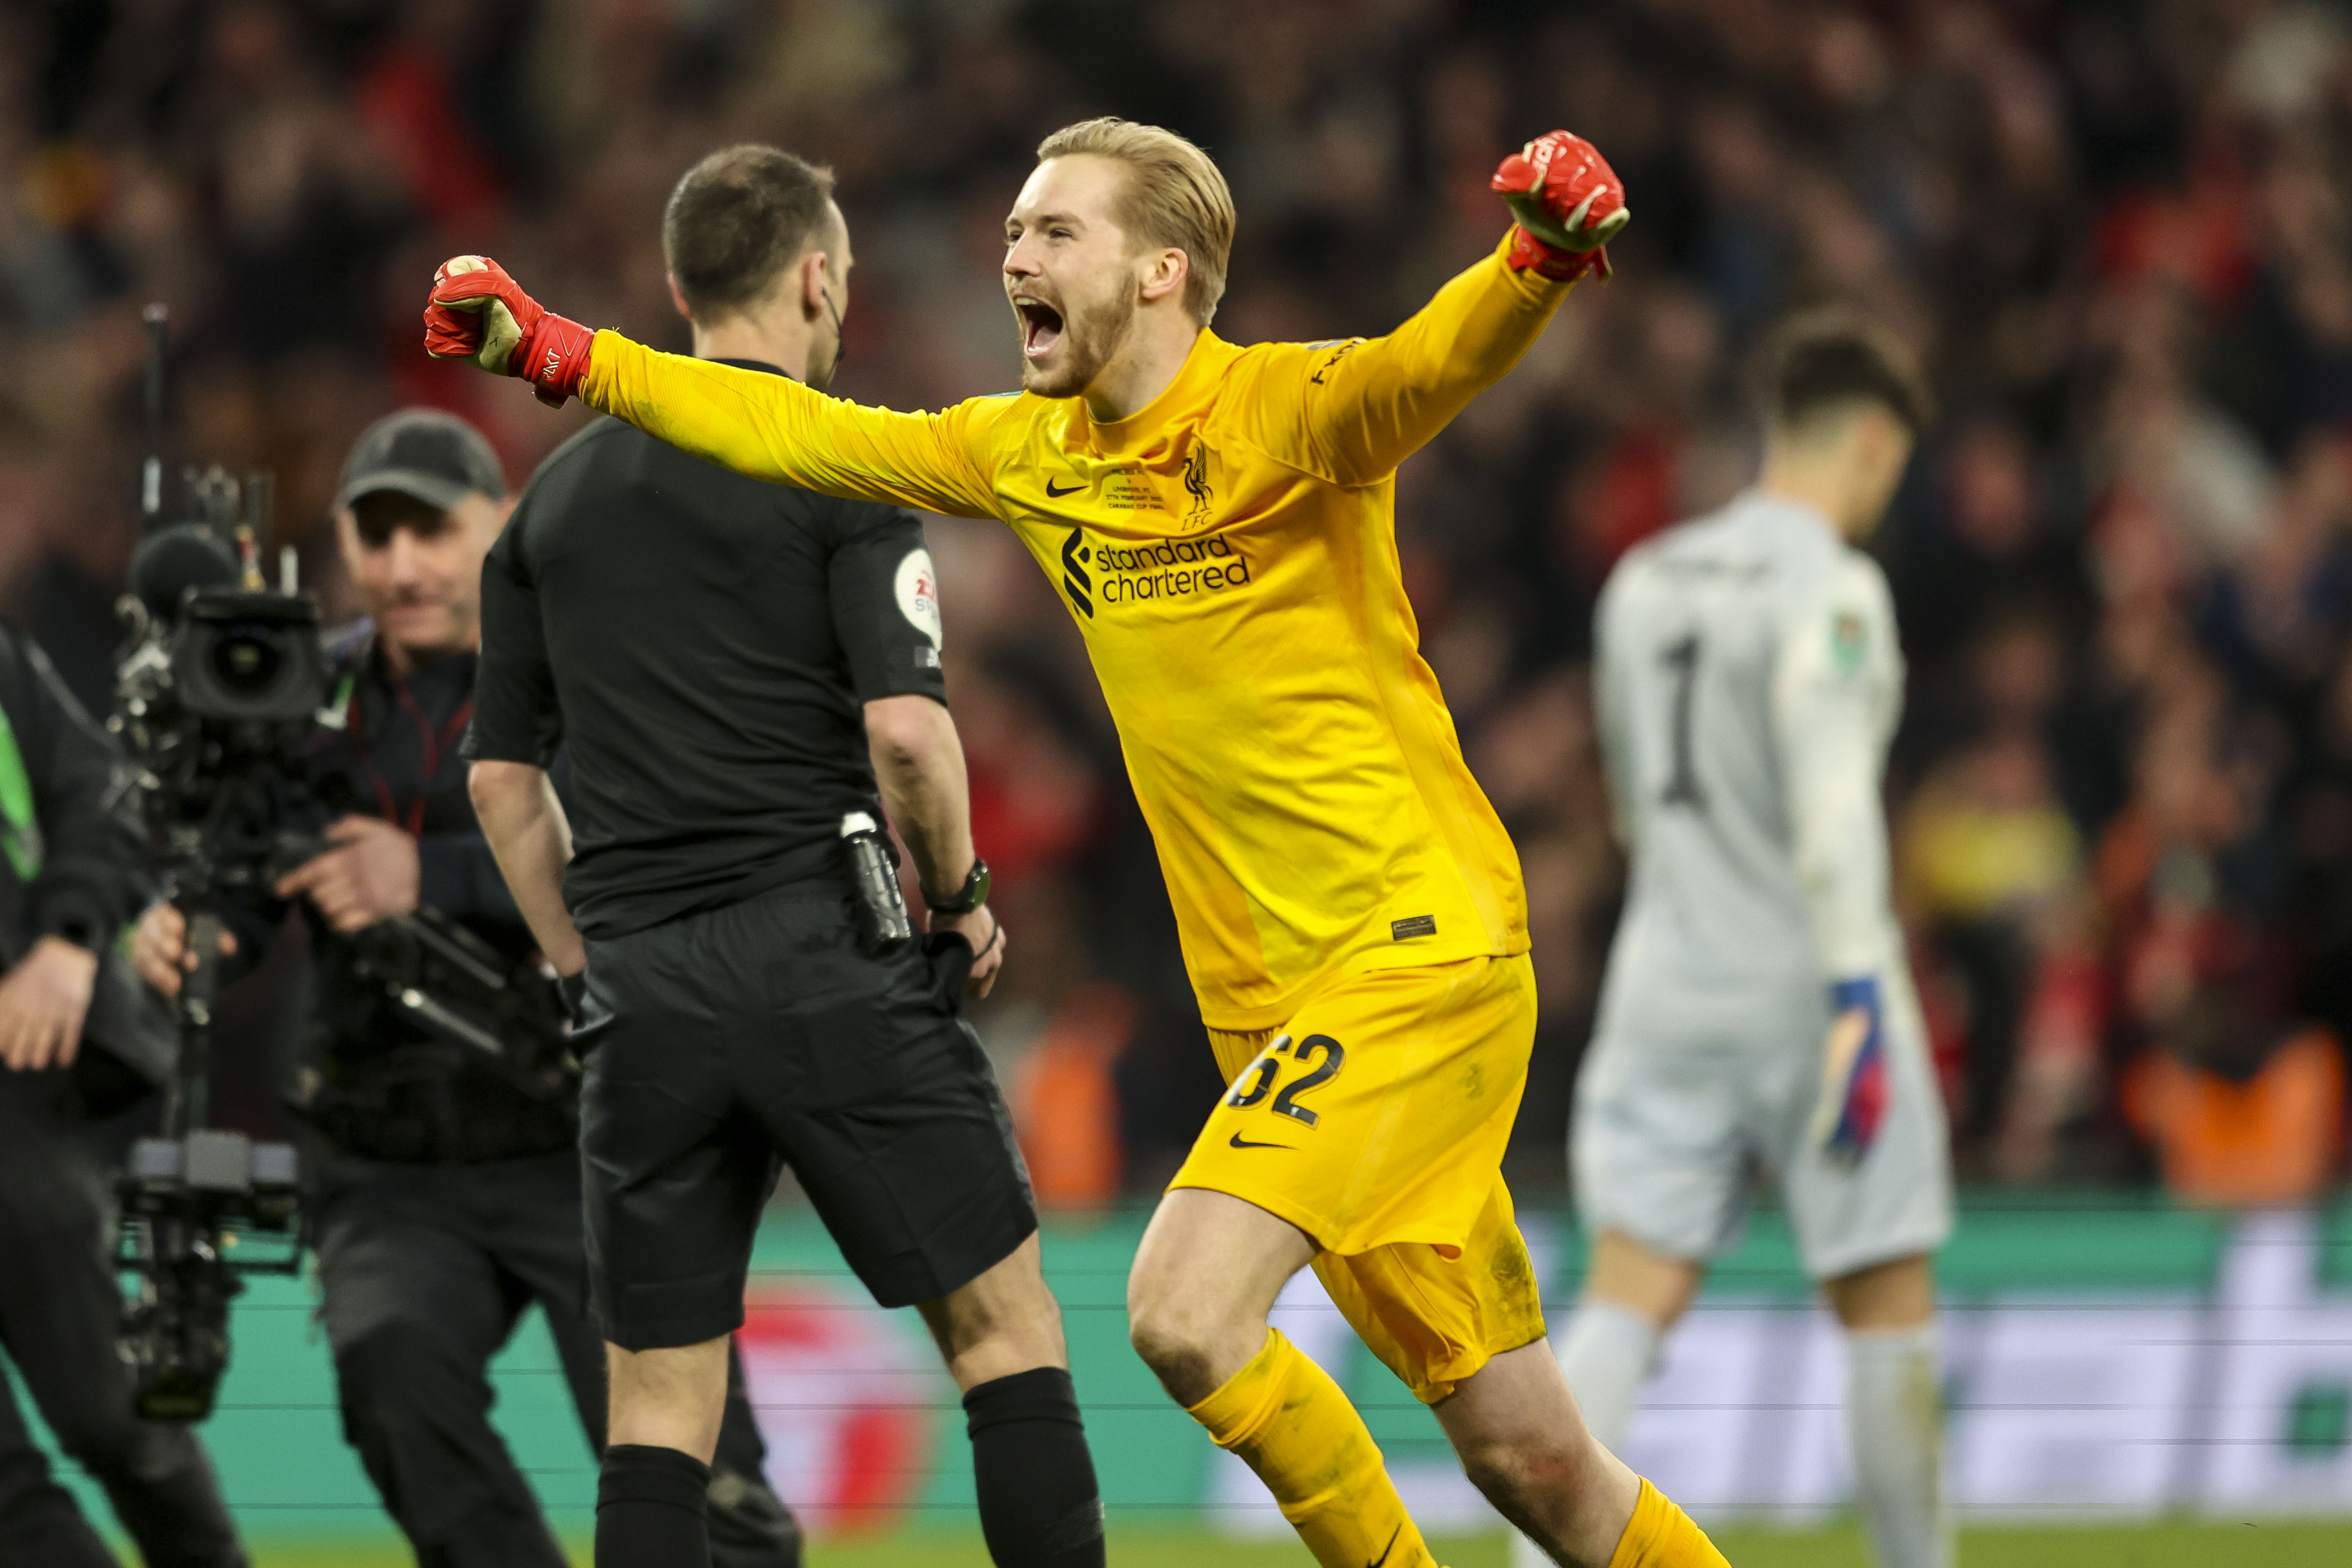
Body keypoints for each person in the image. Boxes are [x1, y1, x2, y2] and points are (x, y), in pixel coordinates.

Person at [427, 121, 1727, 1568]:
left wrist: (1536, 263)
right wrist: (561, 354)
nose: (1014, 256)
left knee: (1181, 1307)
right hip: (1274, 1006)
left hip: (1414, 961)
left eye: (1054, 233)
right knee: (1529, 1451)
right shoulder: (1030, 451)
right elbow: (794, 429)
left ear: (1164, 270)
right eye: (1012, 235)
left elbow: (1430, 363)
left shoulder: (1291, 415)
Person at [461, 146, 1103, 1568]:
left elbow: (503, 784)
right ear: (818, 278)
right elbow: (912, 738)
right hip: (827, 954)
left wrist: (585, 964)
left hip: (644, 993)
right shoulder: (835, 462)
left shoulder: (546, 513)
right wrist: (965, 895)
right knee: (1005, 1329)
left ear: (685, 288)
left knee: (658, 1406)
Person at [129, 409, 801, 1568]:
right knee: (391, 1378)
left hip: (590, 1140)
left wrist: (428, 876)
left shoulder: (593, 673)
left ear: (498, 523)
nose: (404, 566)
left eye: (432, 531)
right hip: (390, 1164)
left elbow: (660, 865)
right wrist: (197, 935)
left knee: (703, 1485)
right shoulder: (295, 695)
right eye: (377, 536)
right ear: (341, 543)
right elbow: (247, 878)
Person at [1532, 313, 1952, 1568]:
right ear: (1874, 445)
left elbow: (1623, 799)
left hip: (1664, 980)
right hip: (1809, 982)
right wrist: (1858, 1000)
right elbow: (1830, 814)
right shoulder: (1834, 588)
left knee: (1625, 1295)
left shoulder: (1646, 580)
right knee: (1882, 1302)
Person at [0, 622, 249, 1568]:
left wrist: (67, 938)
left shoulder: (4, 669)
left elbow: (108, 798)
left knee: (115, 1421)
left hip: (14, 1091)